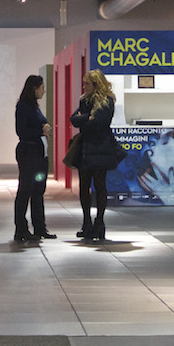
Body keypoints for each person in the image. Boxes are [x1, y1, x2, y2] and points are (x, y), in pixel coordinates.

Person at [70, 70, 118, 241]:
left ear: (96, 84)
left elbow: (99, 122)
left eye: (87, 84)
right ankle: (86, 223)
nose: (84, 87)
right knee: (84, 186)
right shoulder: (84, 100)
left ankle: (99, 222)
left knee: (99, 185)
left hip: (101, 147)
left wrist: (88, 120)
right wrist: (87, 118)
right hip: (86, 147)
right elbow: (73, 120)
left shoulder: (107, 101)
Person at [14, 75, 53, 242]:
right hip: (28, 153)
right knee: (25, 190)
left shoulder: (34, 106)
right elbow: (21, 132)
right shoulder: (23, 106)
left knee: (38, 191)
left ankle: (40, 227)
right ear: (34, 88)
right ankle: (21, 229)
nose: (44, 91)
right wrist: (41, 130)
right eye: (42, 87)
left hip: (39, 154)